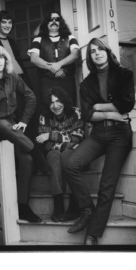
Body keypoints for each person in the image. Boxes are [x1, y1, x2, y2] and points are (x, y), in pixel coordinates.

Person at [61, 38, 135, 245]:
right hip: (98, 134)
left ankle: (92, 234)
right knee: (70, 163)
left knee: (106, 185)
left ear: (107, 52)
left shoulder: (124, 75)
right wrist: (111, 113)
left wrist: (98, 107)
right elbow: (86, 115)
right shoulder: (86, 83)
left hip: (120, 136)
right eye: (92, 51)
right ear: (90, 57)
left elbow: (126, 104)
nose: (97, 53)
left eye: (100, 49)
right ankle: (86, 209)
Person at [0, 45, 51, 223]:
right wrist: (0, 123)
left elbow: (30, 97)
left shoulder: (13, 78)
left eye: (2, 57)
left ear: (6, 60)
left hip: (13, 127)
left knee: (26, 160)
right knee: (2, 123)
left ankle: (23, 207)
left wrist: (23, 121)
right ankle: (36, 152)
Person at [36, 86, 84, 222]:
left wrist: (51, 135)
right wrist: (63, 139)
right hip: (56, 153)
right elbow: (46, 145)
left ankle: (74, 202)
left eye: (58, 101)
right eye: (51, 102)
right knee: (52, 155)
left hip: (74, 154)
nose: (55, 106)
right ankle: (58, 203)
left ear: (64, 101)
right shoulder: (43, 118)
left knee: (67, 155)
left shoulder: (76, 113)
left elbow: (77, 140)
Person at [0, 10, 37, 141]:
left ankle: (32, 144)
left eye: (9, 22)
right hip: (9, 81)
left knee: (30, 109)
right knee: (17, 113)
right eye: (4, 22)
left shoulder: (12, 42)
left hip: (21, 78)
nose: (7, 25)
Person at [27, 11, 80, 110]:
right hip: (47, 82)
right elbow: (34, 58)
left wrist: (59, 64)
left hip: (67, 80)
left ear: (61, 22)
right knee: (48, 108)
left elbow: (75, 54)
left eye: (57, 19)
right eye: (50, 20)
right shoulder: (38, 39)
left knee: (69, 107)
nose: (54, 21)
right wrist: (52, 68)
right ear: (46, 23)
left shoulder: (70, 37)